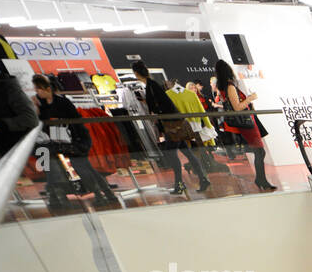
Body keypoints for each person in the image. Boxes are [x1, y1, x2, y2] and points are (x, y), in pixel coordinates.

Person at [32, 74, 117, 207]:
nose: (36, 92)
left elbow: (76, 122)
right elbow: (38, 122)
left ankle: (103, 194)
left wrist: (61, 124)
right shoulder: (41, 104)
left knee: (83, 168)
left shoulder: (62, 102)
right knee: (51, 167)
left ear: (47, 88)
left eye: (38, 89)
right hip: (54, 142)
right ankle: (57, 198)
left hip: (74, 139)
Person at [132, 60, 210, 194]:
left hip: (172, 126)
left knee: (172, 156)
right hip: (173, 125)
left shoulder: (152, 85)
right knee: (187, 154)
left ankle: (180, 184)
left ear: (136, 73)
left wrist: (154, 109)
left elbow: (164, 106)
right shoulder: (151, 85)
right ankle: (201, 179)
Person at [215, 60, 274, 191]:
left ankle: (261, 179)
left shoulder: (224, 87)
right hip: (247, 123)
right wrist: (250, 98)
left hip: (246, 122)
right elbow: (237, 107)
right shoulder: (230, 87)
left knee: (259, 152)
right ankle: (261, 180)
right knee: (260, 151)